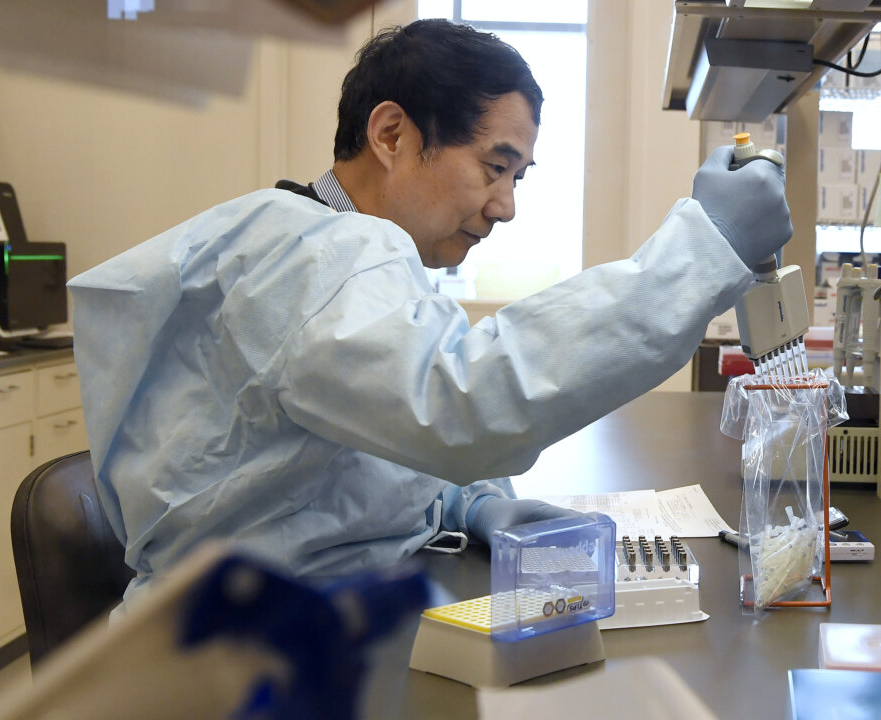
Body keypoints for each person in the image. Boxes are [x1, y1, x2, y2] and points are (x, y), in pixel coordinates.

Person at [68, 19, 792, 613]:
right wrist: (701, 251)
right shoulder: (309, 259)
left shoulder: (329, 250)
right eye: (494, 166)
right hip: (240, 655)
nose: (505, 205)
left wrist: (462, 504)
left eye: (519, 177)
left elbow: (331, 455)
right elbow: (460, 403)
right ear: (391, 136)